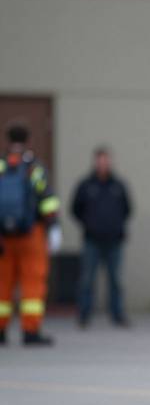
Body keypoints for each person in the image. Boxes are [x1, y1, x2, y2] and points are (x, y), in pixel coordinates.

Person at [0, 125, 61, 346]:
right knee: (32, 283)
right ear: (28, 139)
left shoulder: (2, 166)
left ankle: (0, 330)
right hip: (31, 234)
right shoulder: (34, 168)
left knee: (2, 283)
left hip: (3, 238)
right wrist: (53, 227)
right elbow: (47, 200)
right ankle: (30, 330)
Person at [71, 146, 132, 327]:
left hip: (114, 241)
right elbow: (75, 209)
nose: (103, 164)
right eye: (100, 160)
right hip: (92, 240)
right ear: (95, 162)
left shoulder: (118, 185)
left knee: (115, 280)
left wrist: (117, 226)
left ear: (110, 162)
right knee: (87, 280)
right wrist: (89, 225)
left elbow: (127, 209)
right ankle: (84, 315)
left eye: (106, 160)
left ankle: (117, 315)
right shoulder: (86, 185)